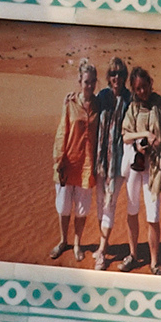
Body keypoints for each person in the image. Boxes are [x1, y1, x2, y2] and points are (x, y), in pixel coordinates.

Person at [107, 64, 161, 271]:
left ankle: (154, 262)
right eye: (138, 89)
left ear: (150, 84)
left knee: (153, 215)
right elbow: (125, 134)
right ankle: (133, 255)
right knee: (132, 210)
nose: (142, 91)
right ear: (134, 89)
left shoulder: (160, 105)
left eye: (145, 86)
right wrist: (143, 137)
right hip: (135, 167)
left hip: (153, 168)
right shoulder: (133, 108)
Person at [48, 57, 99, 259]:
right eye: (87, 81)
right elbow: (62, 131)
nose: (90, 85)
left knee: (81, 209)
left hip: (87, 165)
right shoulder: (70, 103)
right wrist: (58, 159)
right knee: (63, 206)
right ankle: (63, 241)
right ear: (80, 81)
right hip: (69, 162)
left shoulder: (99, 104)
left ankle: (77, 243)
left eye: (93, 81)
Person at [88, 54, 130, 269]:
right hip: (101, 162)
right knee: (99, 205)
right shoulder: (103, 96)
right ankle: (102, 243)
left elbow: (150, 101)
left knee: (109, 205)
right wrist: (71, 97)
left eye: (120, 73)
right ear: (108, 76)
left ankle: (103, 251)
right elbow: (85, 101)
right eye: (113, 73)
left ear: (125, 76)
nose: (116, 77)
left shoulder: (130, 99)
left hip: (118, 164)